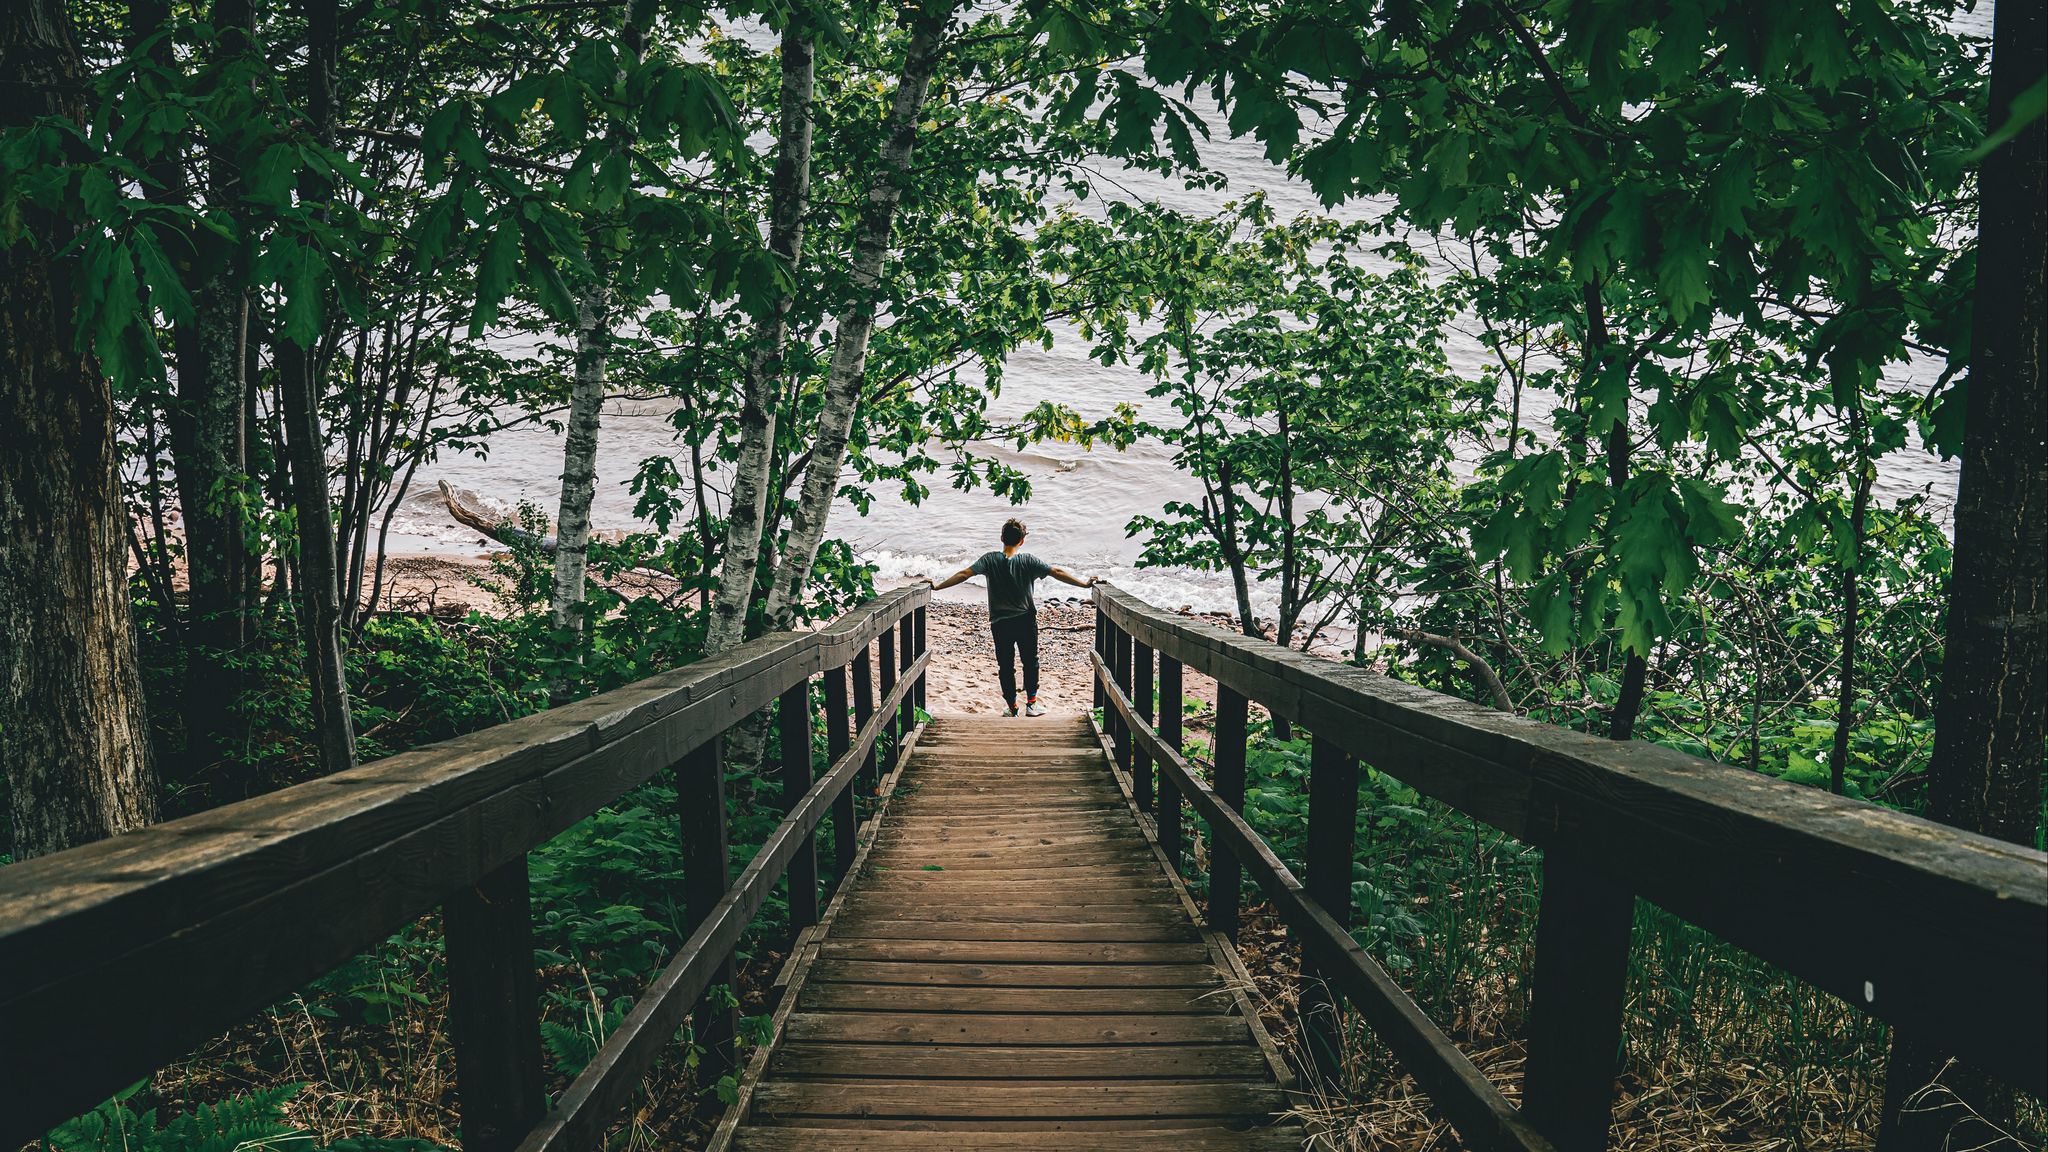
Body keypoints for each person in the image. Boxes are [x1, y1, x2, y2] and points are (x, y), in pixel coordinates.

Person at [926, 518, 1097, 716]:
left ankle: (1012, 707)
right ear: (1022, 541)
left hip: (1000, 623)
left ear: (1001, 538)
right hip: (1025, 620)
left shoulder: (989, 560)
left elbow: (964, 574)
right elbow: (1056, 572)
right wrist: (1084, 585)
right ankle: (1031, 704)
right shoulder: (1029, 561)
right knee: (1030, 661)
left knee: (1005, 666)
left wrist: (938, 587)